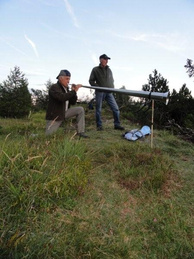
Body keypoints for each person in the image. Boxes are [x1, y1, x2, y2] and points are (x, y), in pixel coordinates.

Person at [45, 69, 88, 138]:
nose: (68, 81)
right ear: (60, 78)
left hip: (64, 113)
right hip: (55, 116)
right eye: (67, 79)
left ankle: (80, 132)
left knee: (80, 109)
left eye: (69, 79)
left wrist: (74, 92)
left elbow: (73, 102)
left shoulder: (66, 89)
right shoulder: (54, 87)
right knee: (48, 136)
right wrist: (73, 92)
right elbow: (61, 98)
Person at [89, 54, 125, 131]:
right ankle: (99, 126)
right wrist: (98, 87)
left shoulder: (109, 70)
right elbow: (91, 81)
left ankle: (117, 125)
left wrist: (112, 89)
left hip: (109, 92)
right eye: (105, 59)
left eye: (107, 59)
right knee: (98, 109)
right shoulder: (95, 69)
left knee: (116, 109)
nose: (106, 61)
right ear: (100, 60)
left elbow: (112, 81)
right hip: (100, 92)